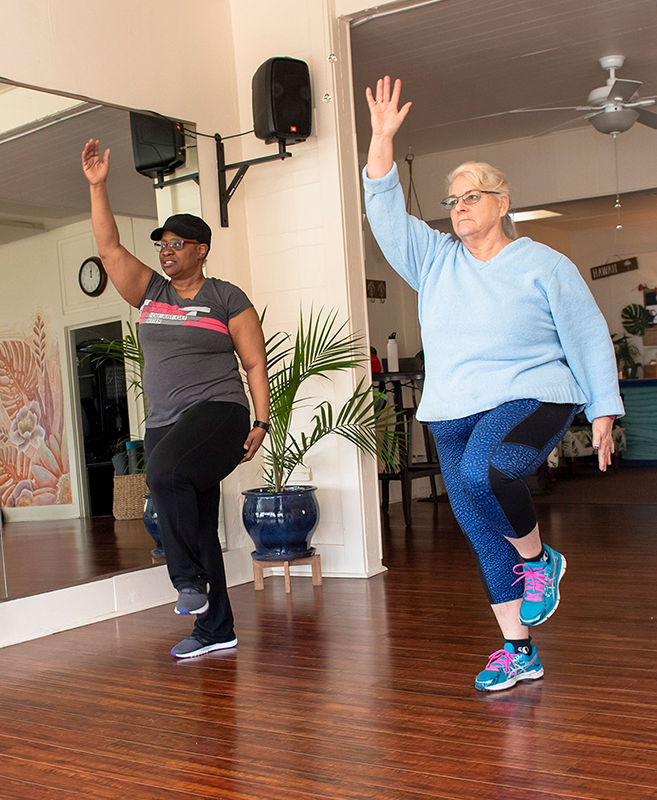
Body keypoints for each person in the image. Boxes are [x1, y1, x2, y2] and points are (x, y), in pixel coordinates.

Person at [363, 78, 624, 691]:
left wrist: (605, 408)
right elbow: (382, 210)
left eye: (472, 195)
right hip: (451, 409)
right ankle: (518, 649)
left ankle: (541, 560)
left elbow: (587, 336)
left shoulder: (543, 264)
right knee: (480, 526)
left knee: (490, 470)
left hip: (534, 393)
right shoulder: (433, 260)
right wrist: (380, 140)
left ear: (503, 202)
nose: (459, 206)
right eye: (453, 199)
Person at [82, 139, 270, 659]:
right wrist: (98, 187)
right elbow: (110, 250)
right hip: (165, 422)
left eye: (177, 244)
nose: (166, 251)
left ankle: (188, 581)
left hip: (219, 412)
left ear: (201, 249)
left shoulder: (226, 297)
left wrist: (261, 421)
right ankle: (217, 629)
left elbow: (254, 362)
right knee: (197, 519)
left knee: (163, 476)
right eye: (162, 244)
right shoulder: (151, 293)